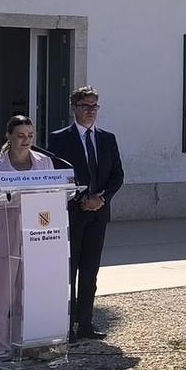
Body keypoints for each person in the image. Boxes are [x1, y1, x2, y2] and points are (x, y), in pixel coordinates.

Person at [0, 115, 59, 365]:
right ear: (9, 137)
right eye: (20, 135)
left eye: (30, 135)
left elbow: (54, 193)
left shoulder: (45, 162)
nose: (26, 140)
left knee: (31, 293)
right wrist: (10, 198)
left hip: (36, 235)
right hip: (2, 235)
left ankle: (30, 342)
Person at [46, 86, 123, 341]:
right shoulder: (59, 139)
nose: (90, 112)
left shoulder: (107, 139)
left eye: (94, 107)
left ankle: (86, 323)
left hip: (98, 214)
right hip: (72, 213)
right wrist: (82, 199)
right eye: (85, 107)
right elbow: (58, 176)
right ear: (74, 108)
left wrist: (101, 199)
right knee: (69, 271)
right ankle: (65, 325)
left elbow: (117, 175)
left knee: (90, 271)